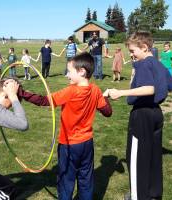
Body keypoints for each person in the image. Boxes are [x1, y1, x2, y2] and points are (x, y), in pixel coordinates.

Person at [107, 32, 172, 200]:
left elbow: (149, 89)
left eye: (133, 51)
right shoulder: (159, 65)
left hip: (141, 115)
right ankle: (153, 194)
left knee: (136, 159)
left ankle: (138, 196)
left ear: (144, 47)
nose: (131, 55)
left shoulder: (143, 64)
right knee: (153, 156)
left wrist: (120, 92)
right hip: (156, 115)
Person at [17, 52, 112, 200]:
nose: (67, 75)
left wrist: (21, 93)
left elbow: (43, 101)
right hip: (87, 143)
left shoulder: (71, 91)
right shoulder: (96, 90)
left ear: (81, 72)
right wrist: (104, 98)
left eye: (69, 71)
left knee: (66, 179)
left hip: (69, 145)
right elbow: (107, 112)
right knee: (86, 178)